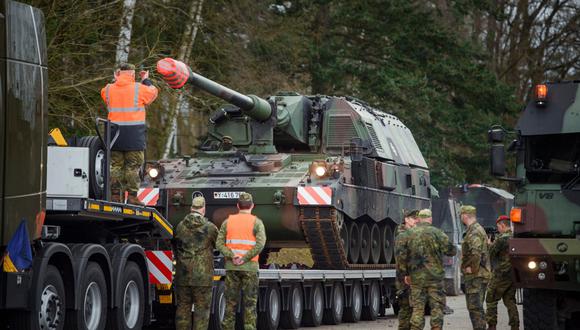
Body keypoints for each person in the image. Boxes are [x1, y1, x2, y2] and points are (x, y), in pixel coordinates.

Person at [100, 63, 158, 204]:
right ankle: (132, 197)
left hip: (114, 135)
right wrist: (145, 79)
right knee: (132, 166)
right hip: (134, 135)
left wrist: (116, 80)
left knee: (115, 166)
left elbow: (105, 94)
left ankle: (115, 197)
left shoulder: (108, 89)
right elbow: (153, 92)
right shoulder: (139, 88)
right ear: (133, 74)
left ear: (118, 73)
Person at [399, 209, 457, 330]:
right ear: (430, 219)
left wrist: (405, 274)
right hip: (435, 279)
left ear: (419, 219)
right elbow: (451, 251)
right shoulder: (438, 233)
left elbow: (402, 256)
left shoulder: (409, 234)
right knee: (437, 308)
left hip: (416, 279)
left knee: (417, 309)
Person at [216, 192, 266, 330]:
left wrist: (232, 256)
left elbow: (219, 244)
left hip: (232, 268)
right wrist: (245, 258)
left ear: (237, 206)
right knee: (250, 304)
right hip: (249, 268)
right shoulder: (257, 222)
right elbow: (260, 244)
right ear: (252, 206)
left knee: (230, 304)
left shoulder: (228, 222)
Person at [173, 196, 218, 330]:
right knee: (202, 311)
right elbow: (218, 245)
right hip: (202, 277)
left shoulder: (180, 226)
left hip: (183, 275)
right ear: (203, 209)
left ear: (191, 208)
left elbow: (176, 246)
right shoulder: (210, 228)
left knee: (182, 308)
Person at [460, 205, 491, 330]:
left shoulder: (474, 231)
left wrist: (472, 269)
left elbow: (476, 252)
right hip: (479, 274)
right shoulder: (476, 229)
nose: (460, 217)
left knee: (475, 308)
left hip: (476, 276)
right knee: (475, 307)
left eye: (461, 215)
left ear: (465, 215)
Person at [486, 215, 519, 330]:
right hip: (513, 274)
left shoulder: (502, 238)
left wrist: (489, 243)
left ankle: (492, 326)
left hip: (501, 274)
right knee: (510, 301)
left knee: (490, 299)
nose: (498, 229)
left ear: (502, 225)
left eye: (498, 226)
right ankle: (515, 326)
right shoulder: (515, 236)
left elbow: (491, 253)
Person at [395, 209, 419, 330]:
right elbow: (401, 258)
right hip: (405, 279)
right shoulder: (402, 235)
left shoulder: (411, 234)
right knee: (405, 310)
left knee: (411, 308)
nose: (416, 221)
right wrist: (405, 275)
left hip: (410, 277)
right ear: (406, 220)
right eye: (414, 219)